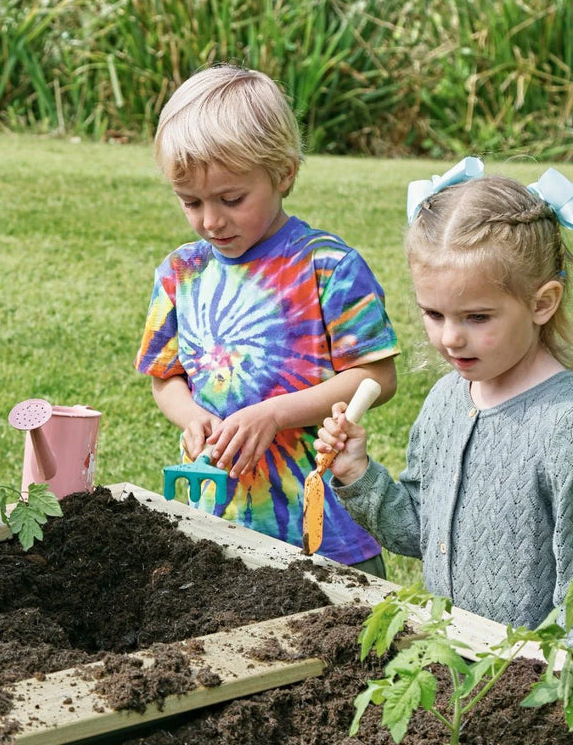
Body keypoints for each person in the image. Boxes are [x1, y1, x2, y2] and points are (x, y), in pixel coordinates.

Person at [134, 65, 399, 574]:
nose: (211, 220)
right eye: (191, 202)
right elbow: (165, 378)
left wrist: (274, 414)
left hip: (326, 531)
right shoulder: (180, 273)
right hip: (218, 526)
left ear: (283, 173)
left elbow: (377, 377)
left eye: (232, 199)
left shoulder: (328, 266)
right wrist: (192, 417)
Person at [316, 157, 573, 628]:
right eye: (433, 314)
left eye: (477, 317)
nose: (450, 338)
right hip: (448, 660)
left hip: (527, 669)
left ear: (542, 303)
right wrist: (357, 473)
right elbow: (419, 529)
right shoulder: (446, 401)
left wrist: (535, 665)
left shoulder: (563, 425)